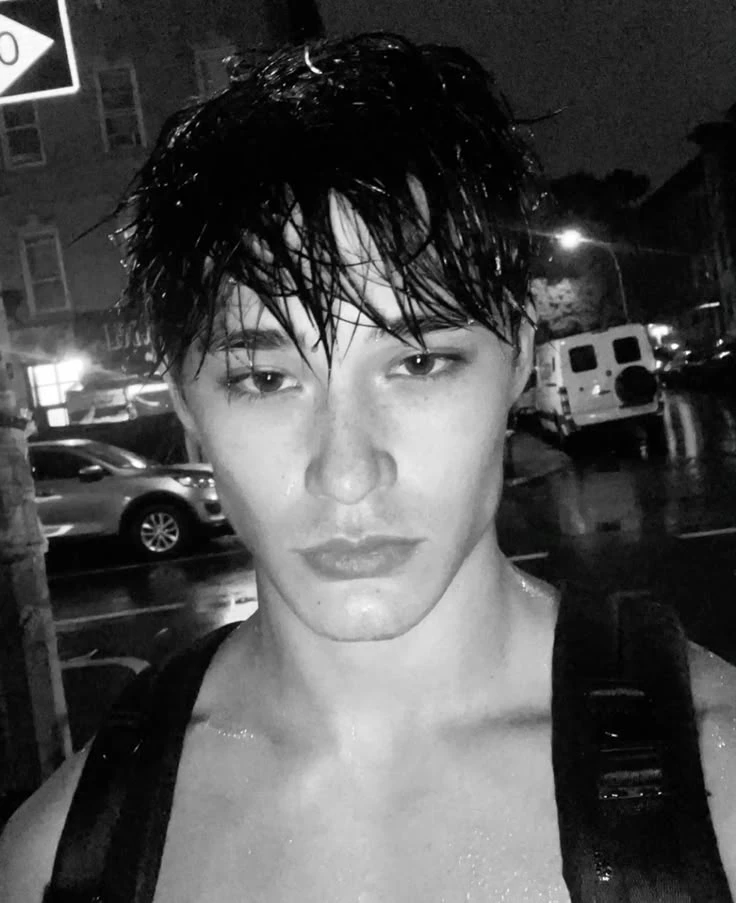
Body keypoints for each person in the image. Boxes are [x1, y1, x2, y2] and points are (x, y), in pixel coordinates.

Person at [2, 31, 736, 903]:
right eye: (264, 379)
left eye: (419, 363)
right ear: (186, 402)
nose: (347, 473)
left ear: (519, 358)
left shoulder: (720, 793)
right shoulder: (59, 856)